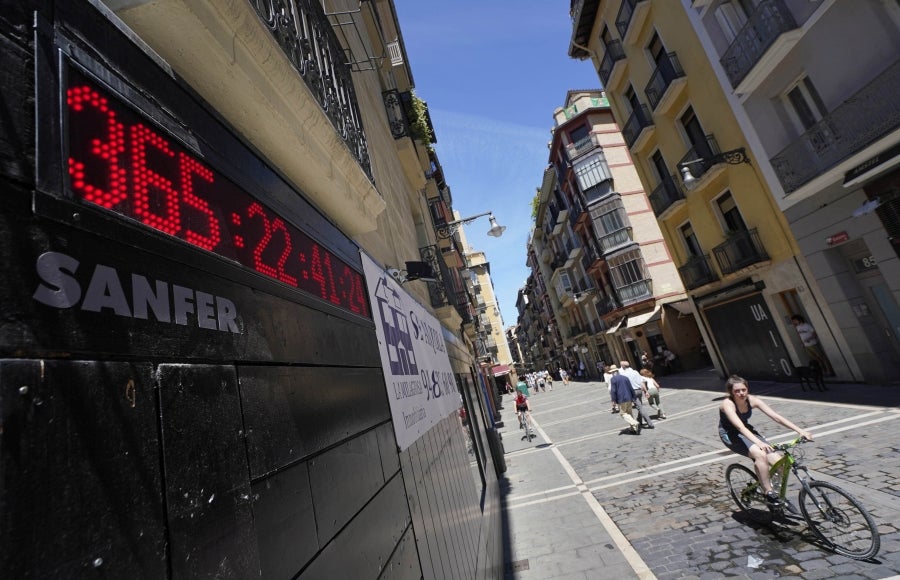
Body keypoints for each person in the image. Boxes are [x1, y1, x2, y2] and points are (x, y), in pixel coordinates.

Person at [718, 375, 813, 506]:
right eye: (737, 391)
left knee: (780, 463)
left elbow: (776, 416)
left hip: (747, 431)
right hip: (731, 434)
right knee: (760, 454)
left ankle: (771, 489)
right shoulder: (727, 404)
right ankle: (768, 492)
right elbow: (739, 426)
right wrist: (759, 443)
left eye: (743, 389)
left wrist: (800, 431)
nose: (741, 393)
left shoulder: (752, 400)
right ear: (731, 392)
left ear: (747, 389)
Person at [620, 361, 655, 429]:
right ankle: (639, 420)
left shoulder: (624, 374)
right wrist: (646, 391)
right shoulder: (635, 371)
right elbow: (641, 382)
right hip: (639, 390)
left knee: (640, 407)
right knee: (640, 406)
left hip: (633, 392)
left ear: (623, 366)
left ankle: (650, 423)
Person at [609, 365, 641, 434]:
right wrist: (633, 397)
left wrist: (613, 400)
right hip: (629, 397)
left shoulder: (613, 379)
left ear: (613, 372)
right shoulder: (625, 378)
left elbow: (613, 391)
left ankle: (634, 423)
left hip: (621, 399)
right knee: (629, 413)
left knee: (623, 413)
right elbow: (631, 388)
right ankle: (634, 429)